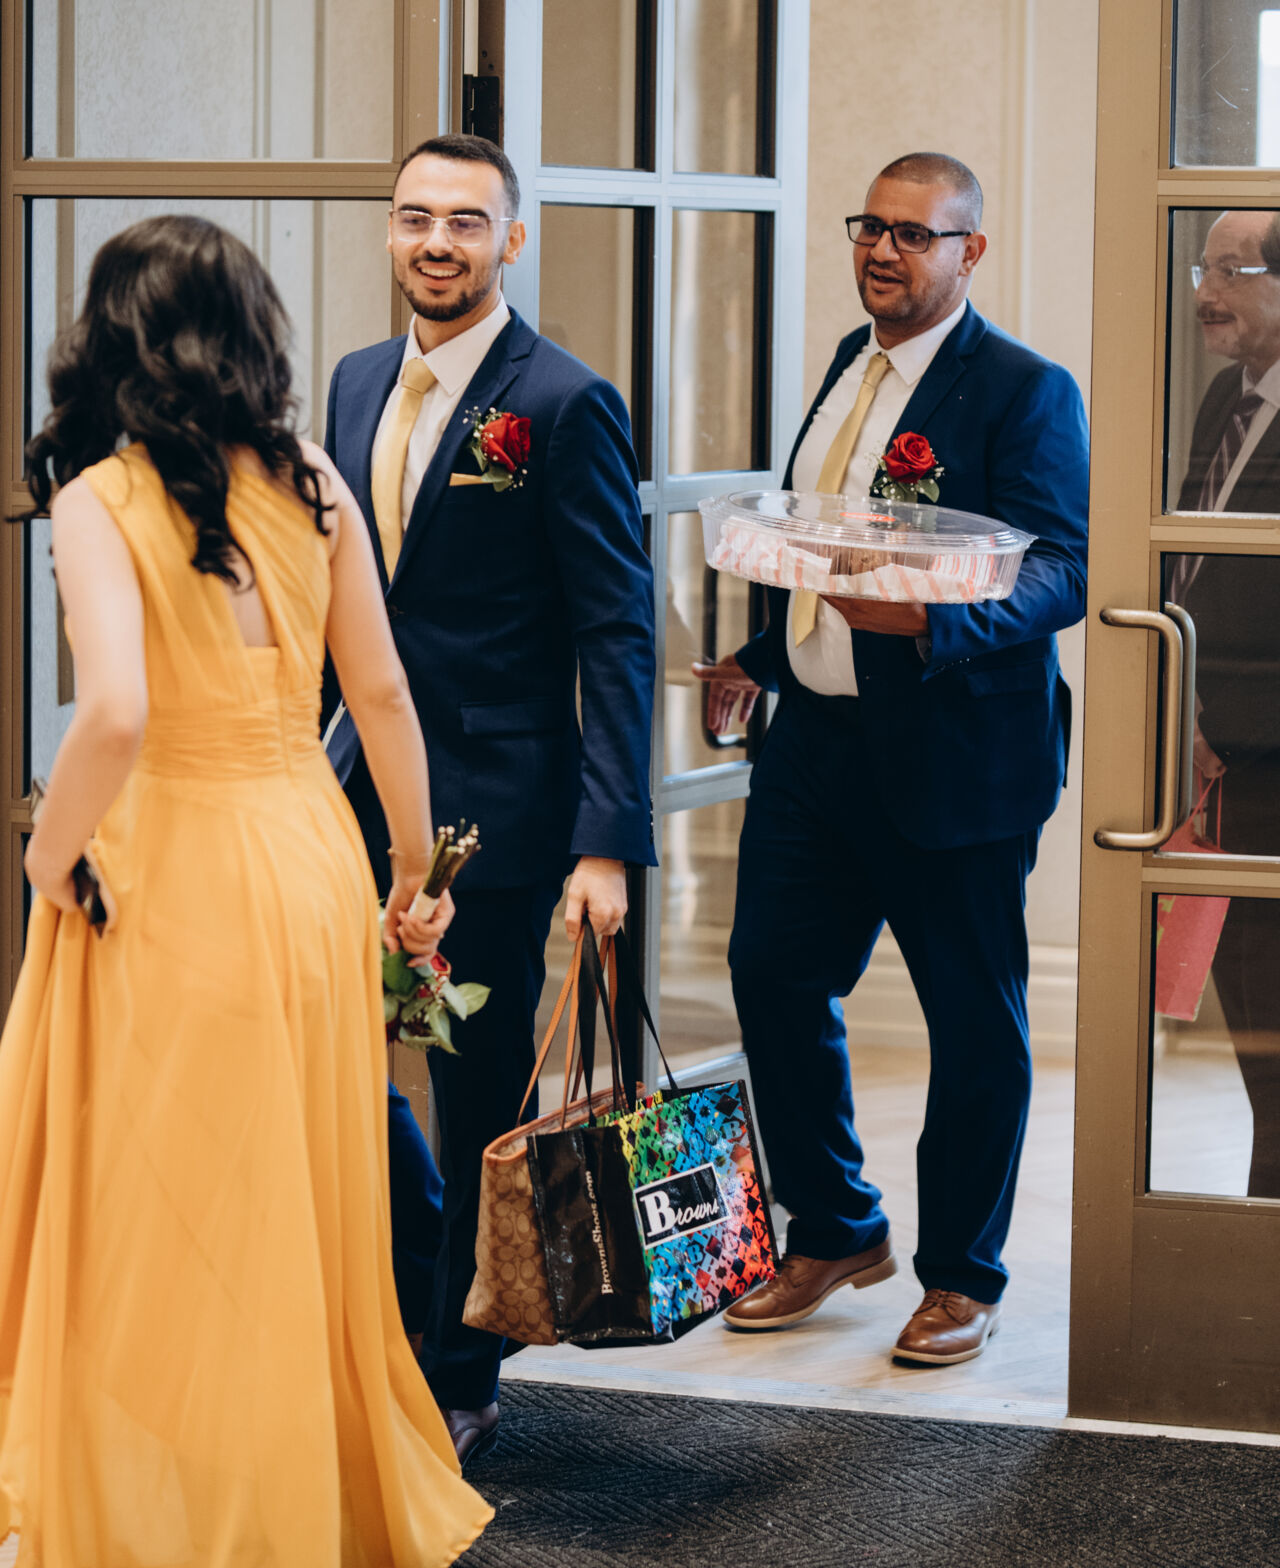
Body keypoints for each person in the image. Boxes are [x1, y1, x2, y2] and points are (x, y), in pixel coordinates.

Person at [4, 218, 490, 1563]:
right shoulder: (314, 479)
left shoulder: (99, 499)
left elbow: (114, 713)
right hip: (309, 854)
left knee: (159, 1181)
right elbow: (380, 694)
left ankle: (172, 1492)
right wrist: (413, 871)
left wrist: (48, 853)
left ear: (113, 338)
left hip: (172, 861)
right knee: (292, 1177)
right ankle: (292, 1475)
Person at [695, 153, 1089, 1364]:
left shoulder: (1023, 389)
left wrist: (930, 622)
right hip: (815, 744)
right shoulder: (844, 364)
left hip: (954, 758)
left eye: (914, 234)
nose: (881, 250)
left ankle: (961, 1275)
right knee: (770, 975)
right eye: (869, 226)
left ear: (970, 252)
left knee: (971, 1026)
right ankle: (832, 1228)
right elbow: (822, 543)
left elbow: (1062, 571)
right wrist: (762, 653)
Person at [323, 134, 655, 1461]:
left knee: (474, 1093)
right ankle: (408, 1291)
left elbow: (615, 630)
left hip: (495, 818)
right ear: (390, 232)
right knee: (340, 1065)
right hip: (351, 796)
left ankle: (459, 1375)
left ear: (511, 240)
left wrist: (605, 841)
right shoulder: (354, 382)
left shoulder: (564, 403)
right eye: (415, 217)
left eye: (465, 220)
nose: (436, 242)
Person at [1168, 208, 1280, 1198]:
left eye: (1230, 271)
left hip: (1269, 760)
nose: (1204, 293)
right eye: (1203, 268)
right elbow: (1197, 567)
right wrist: (1187, 713)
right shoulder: (1223, 398)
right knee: (1255, 1026)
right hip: (1222, 763)